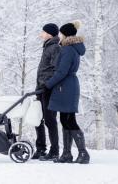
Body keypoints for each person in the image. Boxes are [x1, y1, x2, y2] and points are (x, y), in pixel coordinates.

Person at [42, 20, 90, 164]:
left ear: (66, 34)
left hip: (66, 86)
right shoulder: (72, 48)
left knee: (69, 120)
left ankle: (83, 154)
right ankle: (67, 154)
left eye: (61, 34)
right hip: (67, 86)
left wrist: (48, 85)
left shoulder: (68, 49)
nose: (60, 36)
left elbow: (62, 71)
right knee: (65, 119)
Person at [32, 23, 61, 161]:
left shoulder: (55, 48)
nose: (40, 34)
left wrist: (48, 85)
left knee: (50, 120)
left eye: (42, 32)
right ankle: (41, 149)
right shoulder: (47, 47)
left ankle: (54, 151)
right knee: (37, 118)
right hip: (40, 88)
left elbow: (57, 70)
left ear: (49, 34)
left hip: (48, 89)